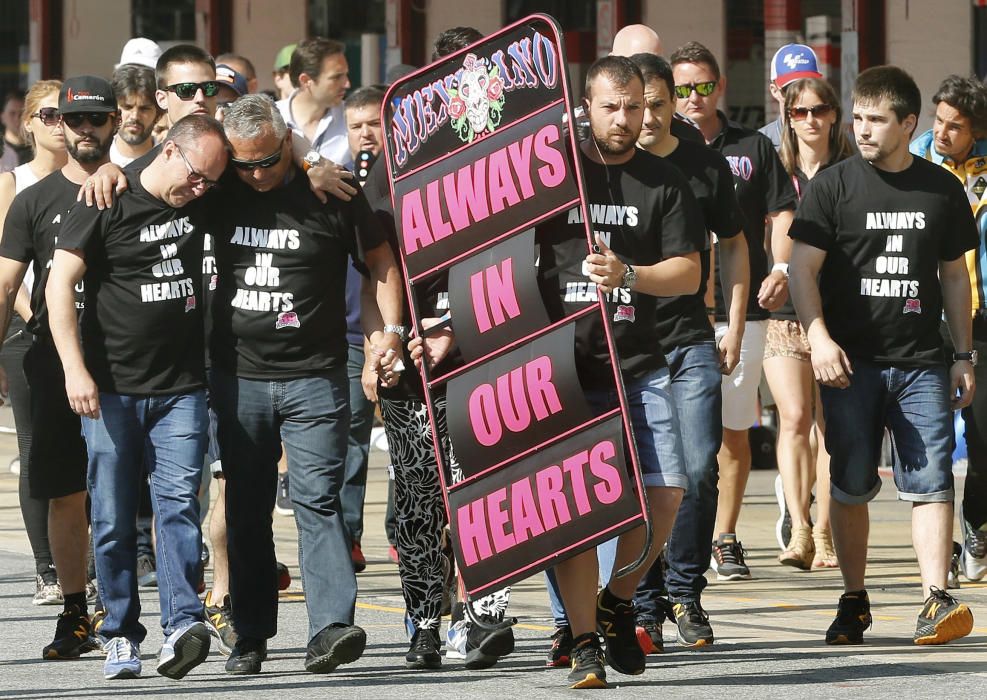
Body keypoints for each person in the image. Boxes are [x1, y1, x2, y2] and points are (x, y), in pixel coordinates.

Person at [208, 94, 402, 676]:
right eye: (245, 164)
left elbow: (381, 262)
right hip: (237, 376)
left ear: (285, 143)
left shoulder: (331, 188)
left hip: (316, 375)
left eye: (269, 159)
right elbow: (166, 159)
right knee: (246, 506)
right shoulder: (217, 188)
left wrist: (387, 333)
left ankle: (330, 629)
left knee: (319, 501)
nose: (258, 174)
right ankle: (250, 634)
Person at [789, 65, 977, 646]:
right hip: (849, 363)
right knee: (849, 484)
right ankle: (854, 599)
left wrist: (963, 355)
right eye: (858, 117)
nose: (861, 129)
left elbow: (953, 277)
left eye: (876, 119)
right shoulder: (832, 186)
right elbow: (802, 270)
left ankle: (936, 600)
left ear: (908, 123)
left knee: (931, 478)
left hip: (922, 359)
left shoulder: (941, 189)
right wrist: (818, 338)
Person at [47, 113, 229, 679]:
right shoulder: (107, 197)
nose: (201, 190)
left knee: (178, 506)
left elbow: (272, 151)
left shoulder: (200, 197)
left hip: (182, 389)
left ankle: (182, 624)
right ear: (170, 153)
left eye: (210, 184)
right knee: (112, 514)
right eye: (196, 177)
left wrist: (315, 167)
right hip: (112, 391)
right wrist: (75, 371)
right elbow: (59, 285)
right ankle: (120, 632)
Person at [625, 51, 749, 652]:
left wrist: (733, 323)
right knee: (652, 475)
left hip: (692, 336)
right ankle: (645, 605)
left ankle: (685, 591)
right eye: (637, 105)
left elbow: (734, 244)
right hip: (629, 344)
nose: (646, 117)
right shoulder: (607, 161)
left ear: (675, 103)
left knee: (699, 467)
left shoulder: (705, 165)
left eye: (657, 103)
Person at [671, 41, 797, 580]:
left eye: (703, 86)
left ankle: (725, 535)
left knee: (732, 430)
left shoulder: (751, 146)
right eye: (682, 89)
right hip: (672, 312)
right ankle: (676, 536)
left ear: (719, 86)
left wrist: (781, 269)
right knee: (677, 437)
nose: (693, 98)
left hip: (737, 309)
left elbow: (782, 212)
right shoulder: (659, 149)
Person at [0, 77, 112, 665]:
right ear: (58, 127)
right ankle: (74, 610)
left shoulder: (133, 187)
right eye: (75, 120)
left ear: (115, 122)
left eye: (98, 118)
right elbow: (5, 284)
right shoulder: (31, 200)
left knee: (135, 491)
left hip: (128, 365)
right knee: (66, 494)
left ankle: (139, 612)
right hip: (51, 363)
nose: (86, 129)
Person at [767, 77, 854, 571]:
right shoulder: (776, 168)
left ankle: (823, 531)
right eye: (800, 112)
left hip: (834, 311)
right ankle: (799, 527)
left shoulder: (850, 170)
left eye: (820, 110)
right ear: (788, 118)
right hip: (782, 311)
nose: (811, 120)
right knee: (795, 418)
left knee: (829, 425)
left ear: (834, 114)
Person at [909, 74, 987, 584]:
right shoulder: (915, 159)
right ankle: (943, 550)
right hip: (924, 315)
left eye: (954, 126)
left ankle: (977, 529)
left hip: (981, 320)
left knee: (981, 438)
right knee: (931, 437)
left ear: (976, 130)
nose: (942, 132)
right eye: (938, 120)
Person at [0, 79, 67, 609]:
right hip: (28, 331)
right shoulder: (13, 182)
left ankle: (82, 563)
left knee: (89, 452)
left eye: (64, 114)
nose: (59, 124)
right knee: (34, 447)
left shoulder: (94, 175)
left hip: (83, 330)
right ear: (28, 125)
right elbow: (6, 271)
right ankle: (46, 567)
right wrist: (31, 313)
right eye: (46, 115)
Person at [341, 86, 386, 571]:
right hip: (350, 335)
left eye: (374, 123)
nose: (365, 135)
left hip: (401, 329)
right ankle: (347, 535)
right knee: (350, 439)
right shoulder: (339, 182)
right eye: (356, 126)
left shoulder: (401, 182)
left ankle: (405, 530)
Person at [277, 37, 352, 168]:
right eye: (336, 77)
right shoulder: (272, 116)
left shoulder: (353, 120)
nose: (347, 84)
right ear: (305, 80)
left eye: (346, 75)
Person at [759, 44, 823, 149]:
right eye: (790, 90)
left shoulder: (838, 142)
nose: (800, 96)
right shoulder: (761, 144)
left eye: (809, 87)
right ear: (775, 91)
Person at [110, 64, 162, 167]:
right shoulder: (97, 159)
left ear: (158, 115)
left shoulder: (168, 161)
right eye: (127, 107)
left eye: (144, 109)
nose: (134, 116)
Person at [2, 91, 31, 170]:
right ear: (2, 117)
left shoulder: (37, 152)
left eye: (21, 113)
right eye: (12, 113)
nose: (17, 118)